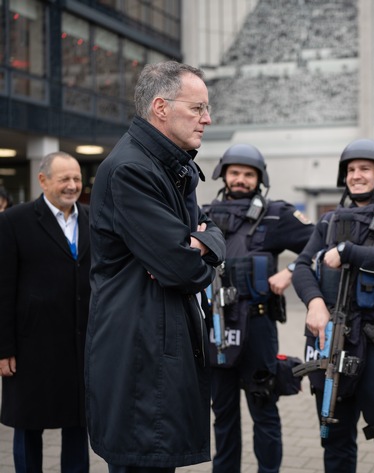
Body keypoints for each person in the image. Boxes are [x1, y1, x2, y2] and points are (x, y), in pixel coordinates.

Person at [85, 61, 226, 472]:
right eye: (197, 108)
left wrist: (202, 242)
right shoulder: (132, 169)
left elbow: (206, 235)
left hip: (154, 349)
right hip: (139, 356)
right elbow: (186, 271)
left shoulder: (169, 166)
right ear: (161, 107)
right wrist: (195, 249)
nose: (207, 118)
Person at [292, 138, 374, 473]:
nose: (356, 175)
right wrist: (315, 303)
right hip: (335, 342)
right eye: (350, 170)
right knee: (335, 439)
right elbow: (303, 266)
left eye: (364, 168)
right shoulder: (330, 220)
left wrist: (349, 252)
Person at [203, 143, 314, 473]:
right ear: (223, 174)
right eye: (234, 172)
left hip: (258, 328)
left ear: (259, 178)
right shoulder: (204, 214)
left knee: (264, 408)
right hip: (217, 327)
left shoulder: (276, 214)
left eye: (247, 174)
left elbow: (318, 243)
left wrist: (291, 272)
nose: (240, 179)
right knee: (222, 413)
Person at [0, 151, 90, 473]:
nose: (72, 185)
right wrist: (4, 348)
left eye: (77, 178)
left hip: (80, 345)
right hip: (31, 347)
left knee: (79, 425)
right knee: (28, 426)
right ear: (43, 180)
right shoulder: (14, 221)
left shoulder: (93, 219)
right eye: (64, 178)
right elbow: (3, 288)